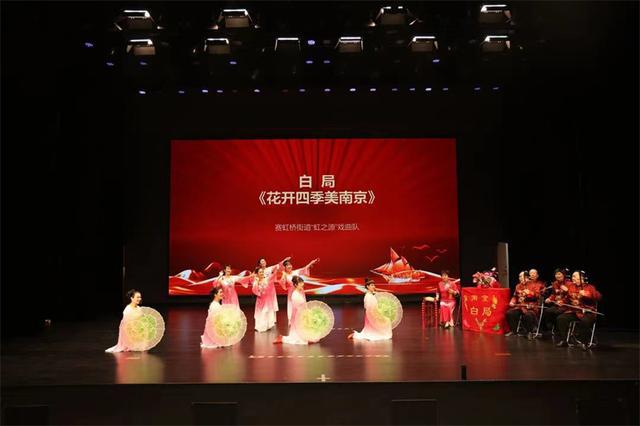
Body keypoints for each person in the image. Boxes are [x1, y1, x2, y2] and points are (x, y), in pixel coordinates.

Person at [555, 271, 602, 350]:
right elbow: (567, 298)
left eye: (574, 276)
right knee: (561, 318)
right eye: (572, 276)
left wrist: (587, 294)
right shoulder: (571, 286)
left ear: (581, 278)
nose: (572, 278)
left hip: (588, 312)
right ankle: (564, 340)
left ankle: (584, 343)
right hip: (575, 312)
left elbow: (599, 297)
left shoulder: (590, 287)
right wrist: (562, 302)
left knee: (584, 321)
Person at [278, 258, 320, 324]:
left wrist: (311, 263)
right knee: (293, 305)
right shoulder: (285, 275)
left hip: (300, 291)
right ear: (285, 268)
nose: (289, 266)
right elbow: (282, 282)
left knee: (302, 303)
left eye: (290, 265)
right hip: (292, 292)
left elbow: (304, 268)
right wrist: (284, 278)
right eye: (287, 265)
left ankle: (303, 318)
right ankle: (292, 320)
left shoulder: (296, 272)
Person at [274, 276, 311, 345]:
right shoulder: (295, 294)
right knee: (298, 338)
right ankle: (283, 338)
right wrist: (304, 312)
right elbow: (297, 307)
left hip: (301, 313)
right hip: (297, 314)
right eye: (300, 283)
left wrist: (306, 310)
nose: (302, 285)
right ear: (296, 285)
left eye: (302, 283)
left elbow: (304, 302)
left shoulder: (301, 291)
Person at [505, 271, 541, 340]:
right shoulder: (518, 286)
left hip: (531, 307)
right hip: (520, 306)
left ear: (527, 277)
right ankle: (514, 331)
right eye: (519, 277)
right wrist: (512, 301)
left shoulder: (534, 285)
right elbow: (515, 296)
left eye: (521, 276)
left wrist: (530, 293)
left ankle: (529, 332)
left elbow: (537, 296)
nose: (520, 278)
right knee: (510, 313)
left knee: (528, 315)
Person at [251, 268, 280, 332]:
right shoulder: (255, 281)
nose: (261, 273)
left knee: (267, 312)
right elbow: (254, 290)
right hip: (260, 299)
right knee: (261, 313)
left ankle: (267, 325)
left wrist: (277, 270)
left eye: (262, 272)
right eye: (260, 272)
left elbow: (273, 276)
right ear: (257, 274)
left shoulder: (266, 279)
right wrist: (258, 282)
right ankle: (260, 326)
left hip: (267, 299)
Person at [542, 268, 571, 332]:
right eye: (556, 274)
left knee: (557, 312)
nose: (557, 276)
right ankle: (551, 327)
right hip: (557, 305)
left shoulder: (569, 284)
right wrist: (549, 298)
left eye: (559, 274)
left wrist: (567, 291)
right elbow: (553, 294)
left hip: (566, 306)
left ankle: (558, 329)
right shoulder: (555, 283)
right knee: (547, 311)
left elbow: (571, 296)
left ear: (564, 275)